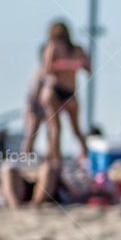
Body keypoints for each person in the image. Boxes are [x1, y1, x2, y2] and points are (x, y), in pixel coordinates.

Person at [38, 20, 92, 165]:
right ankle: (63, 159)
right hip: (67, 91)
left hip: (56, 90)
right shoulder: (76, 50)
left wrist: (62, 64)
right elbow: (88, 67)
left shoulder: (53, 46)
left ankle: (57, 161)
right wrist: (72, 64)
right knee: (73, 129)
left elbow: (46, 69)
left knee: (56, 128)